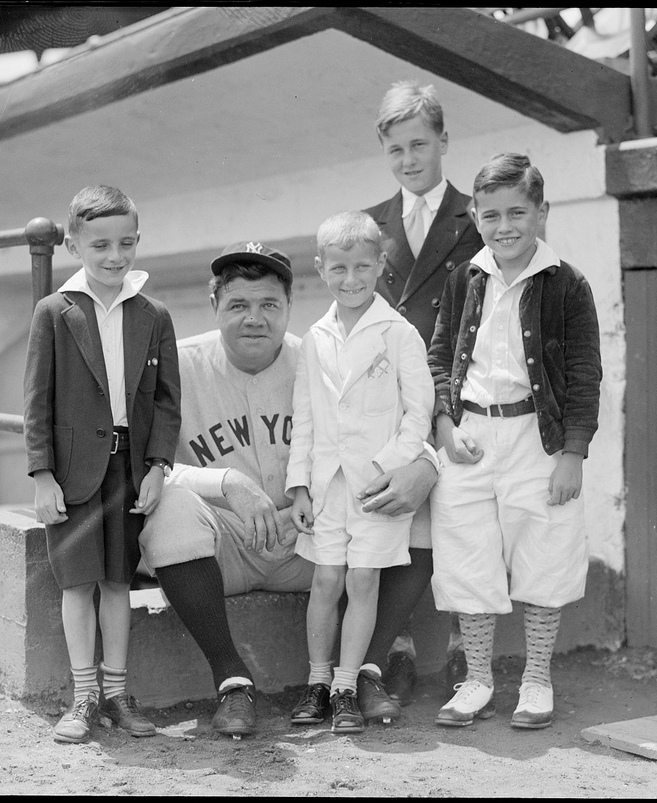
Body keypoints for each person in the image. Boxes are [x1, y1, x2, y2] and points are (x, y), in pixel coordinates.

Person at [137, 240, 438, 738]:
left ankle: (366, 670)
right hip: (224, 544)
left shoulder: (320, 355)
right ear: (214, 306)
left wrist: (425, 461)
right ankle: (232, 680)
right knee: (167, 509)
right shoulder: (180, 365)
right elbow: (147, 469)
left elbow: (399, 414)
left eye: (268, 305)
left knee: (421, 503)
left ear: (288, 308)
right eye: (238, 305)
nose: (254, 318)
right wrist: (227, 481)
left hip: (309, 540)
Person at [426, 153, 602, 729]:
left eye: (518, 213)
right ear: (475, 216)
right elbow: (442, 356)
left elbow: (583, 372)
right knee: (467, 552)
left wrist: (571, 453)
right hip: (471, 435)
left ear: (541, 212)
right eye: (491, 214)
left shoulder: (567, 284)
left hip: (538, 436)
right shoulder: (465, 279)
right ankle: (477, 679)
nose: (505, 227)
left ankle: (536, 679)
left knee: (543, 551)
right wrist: (446, 424)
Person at [23, 185, 181, 744]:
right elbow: (36, 400)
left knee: (118, 582)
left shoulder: (154, 314)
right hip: (72, 473)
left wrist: (158, 466)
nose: (115, 256)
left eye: (127, 243)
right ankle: (84, 695)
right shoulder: (54, 312)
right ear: (72, 245)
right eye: (101, 245)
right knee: (77, 585)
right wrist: (42, 475)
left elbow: (165, 401)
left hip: (128, 472)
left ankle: (116, 694)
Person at [360, 80, 484, 707]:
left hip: (454, 390)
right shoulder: (371, 224)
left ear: (442, 141)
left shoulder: (476, 217)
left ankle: (452, 655)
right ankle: (402, 655)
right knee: (395, 520)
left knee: (451, 519)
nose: (409, 161)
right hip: (390, 398)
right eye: (396, 150)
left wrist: (446, 408)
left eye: (419, 145)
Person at [286, 212, 434, 733]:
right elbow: (304, 419)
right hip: (328, 484)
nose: (351, 280)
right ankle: (318, 681)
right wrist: (299, 485)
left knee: (363, 578)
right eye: (339, 269)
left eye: (363, 268)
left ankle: (348, 685)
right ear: (321, 268)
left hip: (375, 485)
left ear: (380, 266)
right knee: (326, 580)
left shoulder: (399, 333)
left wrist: (386, 466)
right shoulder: (315, 338)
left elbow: (419, 415)